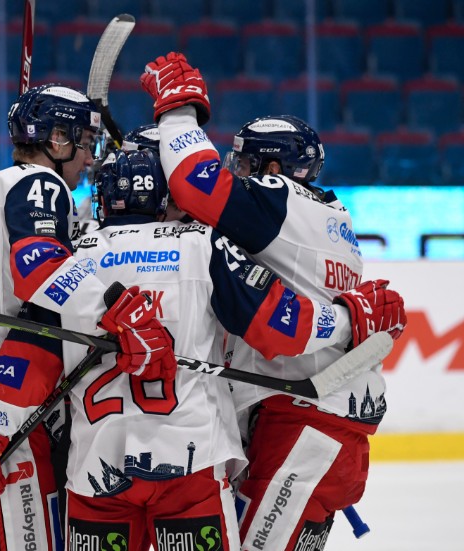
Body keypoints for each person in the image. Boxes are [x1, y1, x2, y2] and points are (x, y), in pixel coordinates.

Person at [0, 146, 398, 550]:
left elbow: (29, 357)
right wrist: (348, 316)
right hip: (190, 470)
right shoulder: (202, 245)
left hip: (96, 474)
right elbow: (279, 328)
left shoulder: (70, 262)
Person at [141, 52, 407, 550]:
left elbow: (198, 188)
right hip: (323, 424)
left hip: (306, 425)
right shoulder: (327, 222)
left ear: (273, 168)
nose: (234, 171)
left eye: (243, 163)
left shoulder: (282, 201)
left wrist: (178, 113)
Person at [0, 83, 177, 551]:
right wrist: (116, 310)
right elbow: (39, 270)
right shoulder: (41, 184)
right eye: (85, 143)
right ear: (56, 140)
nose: (90, 158)